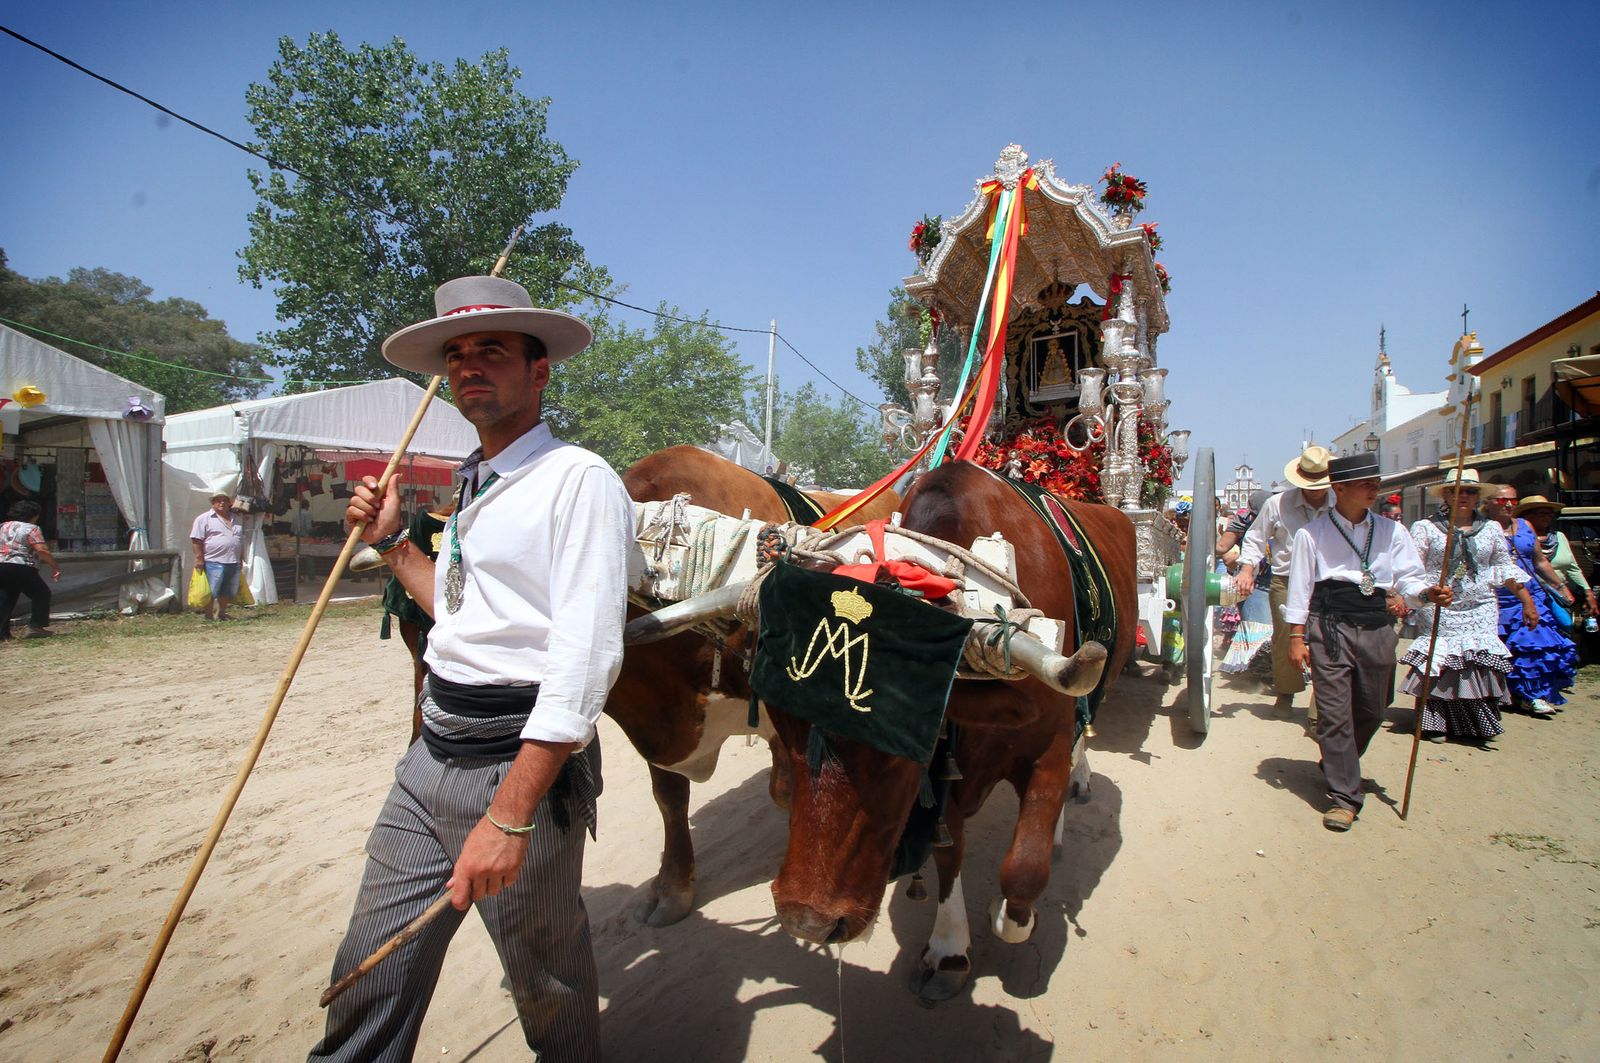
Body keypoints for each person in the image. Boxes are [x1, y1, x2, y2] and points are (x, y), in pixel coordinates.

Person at [310, 276, 632, 1063]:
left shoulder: (578, 480)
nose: (468, 366)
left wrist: (511, 815)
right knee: (366, 968)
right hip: (427, 761)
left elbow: (585, 663)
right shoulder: (473, 481)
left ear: (541, 370)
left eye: (492, 349)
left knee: (547, 983)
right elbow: (463, 615)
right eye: (455, 355)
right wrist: (395, 544)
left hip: (516, 771)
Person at [1284, 453, 1450, 831]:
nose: (1374, 489)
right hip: (1329, 625)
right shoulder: (1312, 534)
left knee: (1375, 706)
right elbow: (1300, 589)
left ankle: (1339, 760)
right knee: (1334, 712)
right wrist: (1297, 637)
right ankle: (1345, 796)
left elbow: (1409, 577)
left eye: (1376, 481)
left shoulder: (1393, 531)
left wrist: (1427, 591)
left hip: (1376, 625)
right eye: (1365, 484)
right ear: (1338, 489)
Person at [1400, 470, 1534, 744]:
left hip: (1481, 604)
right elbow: (1411, 569)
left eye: (1470, 492)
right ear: (1446, 495)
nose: (1463, 496)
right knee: (1443, 661)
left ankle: (1474, 723)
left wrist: (1527, 602)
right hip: (1439, 604)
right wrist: (1416, 596)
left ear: (1479, 497)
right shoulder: (1425, 528)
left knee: (1475, 659)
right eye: (1456, 491)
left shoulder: (1492, 529)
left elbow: (1502, 566)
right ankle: (1434, 722)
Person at [1237, 445, 1333, 719]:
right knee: (1285, 638)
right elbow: (1256, 538)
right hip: (1287, 580)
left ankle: (1321, 704)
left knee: (1328, 639)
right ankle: (1286, 692)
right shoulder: (1277, 504)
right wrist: (1247, 570)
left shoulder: (1339, 503)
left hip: (1327, 582)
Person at [1483, 484, 1578, 716]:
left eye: (1513, 501)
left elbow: (1540, 561)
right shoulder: (1482, 528)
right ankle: (1503, 694)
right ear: (1488, 503)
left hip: (1530, 595)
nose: (1508, 505)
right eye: (1502, 501)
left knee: (1534, 644)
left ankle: (1533, 695)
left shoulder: (1525, 526)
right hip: (1496, 598)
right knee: (1501, 650)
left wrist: (1560, 585)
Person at [1516, 495, 1597, 640]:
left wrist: (1587, 591)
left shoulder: (1559, 537)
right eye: (1542, 513)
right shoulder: (1520, 541)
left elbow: (1573, 568)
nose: (1547, 517)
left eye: (1550, 513)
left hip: (1560, 594)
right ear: (1526, 516)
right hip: (1532, 593)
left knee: (1566, 625)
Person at [1218, 491, 1273, 678]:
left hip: (1279, 579)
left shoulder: (1283, 517)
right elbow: (1222, 548)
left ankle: (1273, 671)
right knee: (1258, 628)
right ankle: (1258, 672)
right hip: (1253, 582)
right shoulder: (1243, 520)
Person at [0, 500, 61, 640]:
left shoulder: (2, 526)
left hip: (1, 565)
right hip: (21, 565)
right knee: (41, 593)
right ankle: (36, 626)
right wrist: (54, 566)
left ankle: (2, 634)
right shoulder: (31, 528)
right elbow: (41, 549)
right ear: (34, 515)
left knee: (5, 598)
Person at [190, 492, 244, 620]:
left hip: (233, 560)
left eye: (225, 500)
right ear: (212, 503)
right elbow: (196, 539)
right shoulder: (204, 518)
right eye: (218, 500)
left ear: (229, 503)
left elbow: (239, 540)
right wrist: (199, 558)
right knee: (212, 591)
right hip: (213, 560)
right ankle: (209, 615)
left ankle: (222, 613)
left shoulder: (235, 519)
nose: (222, 503)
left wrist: (241, 557)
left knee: (227, 590)